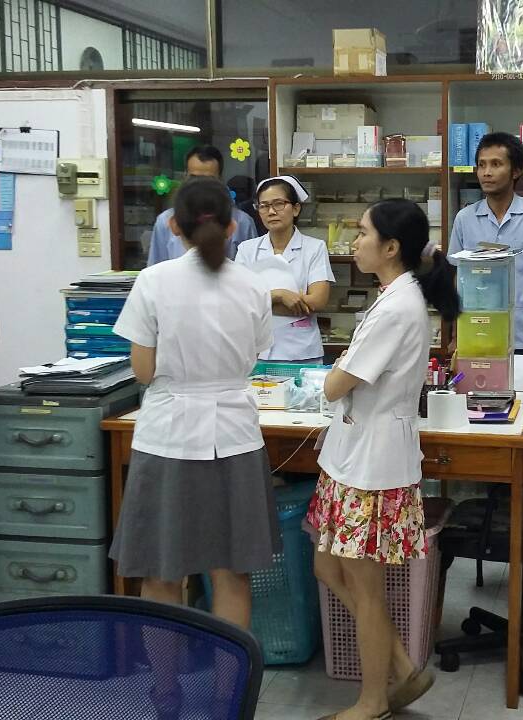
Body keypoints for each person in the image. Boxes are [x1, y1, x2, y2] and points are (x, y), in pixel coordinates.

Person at [110, 177, 282, 716]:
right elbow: (257, 354)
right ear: (233, 227)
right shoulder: (253, 285)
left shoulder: (153, 281)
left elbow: (143, 370)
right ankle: (230, 696)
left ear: (173, 226)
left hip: (168, 437)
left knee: (163, 574)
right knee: (231, 573)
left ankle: (166, 693)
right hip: (235, 437)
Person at [307, 199, 460, 720]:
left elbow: (335, 384)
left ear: (391, 247)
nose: (354, 242)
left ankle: (373, 701)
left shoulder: (396, 308)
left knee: (366, 589)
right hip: (354, 455)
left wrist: (338, 370)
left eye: (362, 233)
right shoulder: (394, 296)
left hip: (371, 466)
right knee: (327, 564)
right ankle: (402, 666)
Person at [448, 131, 523, 379]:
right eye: (481, 165)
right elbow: (457, 278)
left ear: (515, 171)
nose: (486, 172)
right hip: (478, 335)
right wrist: (456, 334)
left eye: (496, 164)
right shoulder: (465, 219)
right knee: (480, 400)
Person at [234, 175, 334, 363]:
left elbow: (317, 301)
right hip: (257, 353)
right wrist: (280, 295)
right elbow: (238, 301)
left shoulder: (314, 248)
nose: (271, 211)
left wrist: (260, 303)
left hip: (302, 352)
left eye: (279, 204)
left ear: (296, 209)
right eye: (264, 206)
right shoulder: (247, 250)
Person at [147, 145, 257, 265]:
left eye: (208, 179)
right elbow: (155, 267)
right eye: (194, 178)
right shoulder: (165, 221)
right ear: (185, 176)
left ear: (220, 179)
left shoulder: (242, 222)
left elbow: (250, 269)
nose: (200, 185)